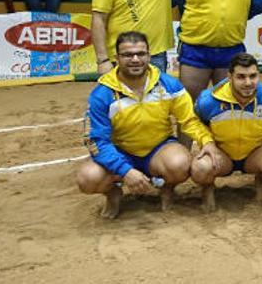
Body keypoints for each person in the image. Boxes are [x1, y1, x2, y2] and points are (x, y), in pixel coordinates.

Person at [76, 31, 219, 219]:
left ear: (149, 56)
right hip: (121, 151)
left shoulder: (169, 85)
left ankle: (167, 188)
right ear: (117, 58)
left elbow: (189, 119)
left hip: (158, 149)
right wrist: (125, 171)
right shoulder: (102, 94)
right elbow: (97, 141)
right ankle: (112, 193)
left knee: (180, 163)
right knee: (87, 178)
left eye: (141, 54)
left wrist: (207, 141)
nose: (135, 59)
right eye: (128, 55)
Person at [191, 53, 262, 211]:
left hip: (255, 153)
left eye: (253, 76)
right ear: (229, 77)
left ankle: (261, 180)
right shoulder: (208, 100)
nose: (248, 82)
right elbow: (195, 122)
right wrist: (207, 142)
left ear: (259, 75)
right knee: (200, 169)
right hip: (222, 154)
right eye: (241, 77)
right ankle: (208, 188)